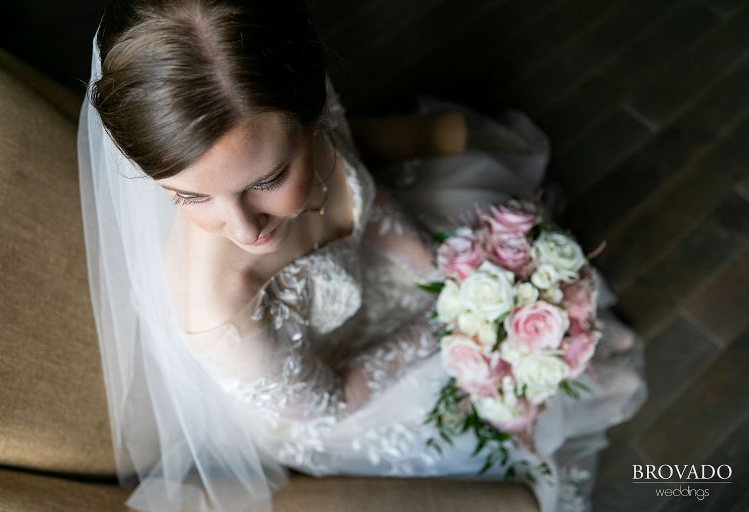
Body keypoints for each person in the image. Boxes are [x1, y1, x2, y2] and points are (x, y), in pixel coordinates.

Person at [77, 0, 647, 510]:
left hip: (371, 276)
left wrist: (443, 274)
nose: (244, 228)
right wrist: (450, 325)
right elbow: (331, 400)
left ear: (309, 120)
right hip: (339, 384)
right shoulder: (219, 312)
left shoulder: (306, 98)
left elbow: (367, 202)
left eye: (268, 178)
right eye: (192, 195)